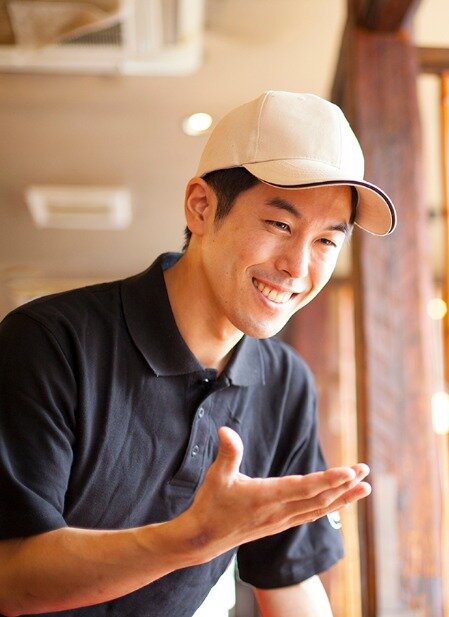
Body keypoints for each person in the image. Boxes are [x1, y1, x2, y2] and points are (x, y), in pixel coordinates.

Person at [0, 91, 397, 616]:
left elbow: (288, 581)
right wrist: (189, 538)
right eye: (279, 225)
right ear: (202, 206)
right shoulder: (50, 341)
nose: (298, 267)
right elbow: (11, 579)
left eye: (327, 241)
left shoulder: (284, 384)